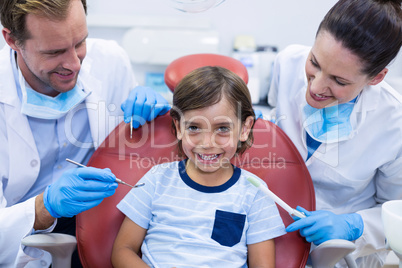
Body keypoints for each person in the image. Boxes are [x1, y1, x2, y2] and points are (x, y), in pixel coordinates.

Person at [0, 0, 170, 267]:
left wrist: (153, 121)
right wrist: (44, 208)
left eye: (80, 43)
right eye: (54, 51)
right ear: (12, 39)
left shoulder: (110, 61)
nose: (74, 64)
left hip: (103, 228)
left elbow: (132, 151)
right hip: (23, 242)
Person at [267, 0, 402, 267]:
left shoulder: (393, 123)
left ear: (376, 77)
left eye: (339, 81)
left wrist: (354, 225)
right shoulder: (287, 62)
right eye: (314, 63)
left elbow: (396, 210)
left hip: (343, 256)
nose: (316, 87)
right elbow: (271, 125)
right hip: (272, 234)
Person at [111, 66, 286, 267]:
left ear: (245, 129)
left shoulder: (255, 192)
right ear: (178, 127)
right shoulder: (157, 180)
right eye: (194, 127)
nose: (207, 143)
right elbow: (122, 250)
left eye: (222, 128)